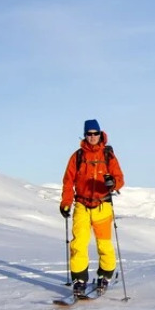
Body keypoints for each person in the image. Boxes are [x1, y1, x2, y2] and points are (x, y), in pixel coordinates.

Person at [60, 119, 125, 295]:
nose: (92, 136)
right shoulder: (77, 156)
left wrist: (113, 183)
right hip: (81, 205)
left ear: (100, 134)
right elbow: (68, 182)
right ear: (85, 135)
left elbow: (120, 179)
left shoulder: (108, 155)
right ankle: (79, 280)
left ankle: (105, 275)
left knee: (104, 245)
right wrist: (66, 203)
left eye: (95, 133)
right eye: (89, 134)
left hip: (102, 205)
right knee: (78, 244)